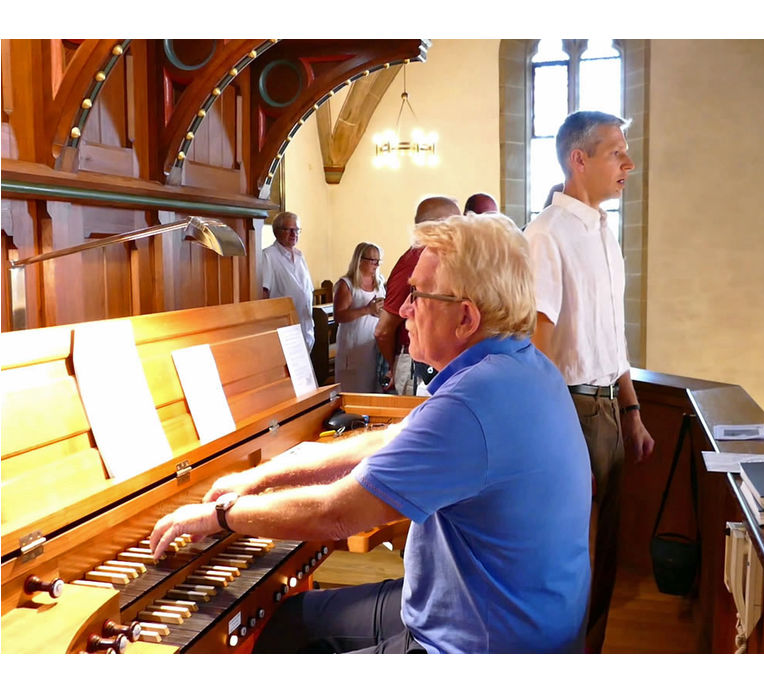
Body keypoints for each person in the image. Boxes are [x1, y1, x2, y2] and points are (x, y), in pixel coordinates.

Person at [148, 212, 592, 654]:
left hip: (487, 647)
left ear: (466, 318)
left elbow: (335, 514)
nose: (402, 309)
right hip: (493, 610)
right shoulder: (517, 366)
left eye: (417, 295)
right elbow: (390, 437)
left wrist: (223, 516)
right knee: (290, 623)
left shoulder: (475, 400)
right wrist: (263, 476)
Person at [524, 110, 655, 654]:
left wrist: (633, 410)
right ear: (579, 160)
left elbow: (611, 335)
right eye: (616, 152)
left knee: (606, 554)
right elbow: (541, 345)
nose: (629, 163)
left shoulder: (605, 231)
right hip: (572, 412)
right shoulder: (546, 235)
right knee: (567, 556)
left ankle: (590, 655)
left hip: (607, 408)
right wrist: (554, 433)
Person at [374, 195, 460, 395]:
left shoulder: (445, 257)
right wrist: (393, 365)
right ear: (438, 226)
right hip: (414, 362)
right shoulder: (414, 260)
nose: (461, 230)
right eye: (456, 222)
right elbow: (383, 330)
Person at [332, 242, 386, 392]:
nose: (376, 264)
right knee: (353, 388)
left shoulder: (379, 282)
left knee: (372, 388)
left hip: (372, 344)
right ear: (360, 260)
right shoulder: (347, 284)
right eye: (372, 260)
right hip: (353, 345)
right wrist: (367, 310)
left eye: (378, 260)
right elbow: (339, 315)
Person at [262, 211, 315, 352]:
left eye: (296, 230)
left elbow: (306, 290)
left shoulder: (300, 256)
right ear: (276, 231)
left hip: (305, 330)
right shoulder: (268, 255)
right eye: (288, 230)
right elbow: (263, 295)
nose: (294, 234)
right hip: (284, 332)